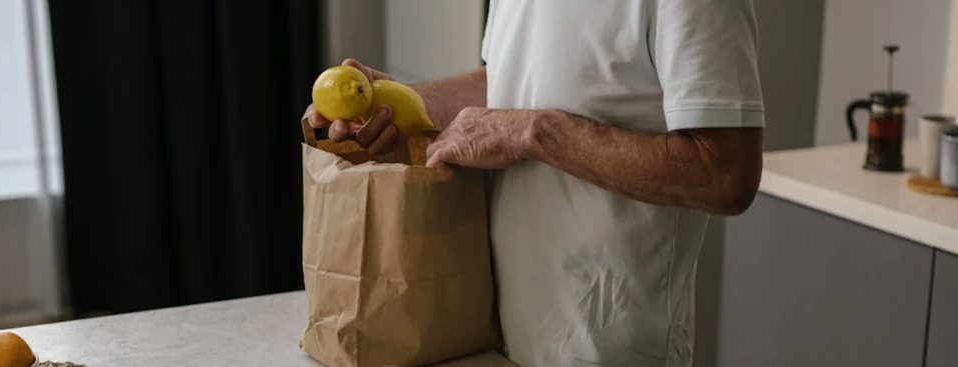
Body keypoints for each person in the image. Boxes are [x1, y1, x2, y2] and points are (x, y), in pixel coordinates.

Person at [304, 1, 764, 366]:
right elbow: (509, 83)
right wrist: (400, 103)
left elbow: (725, 174)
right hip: (492, 330)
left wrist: (533, 132)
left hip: (608, 347)